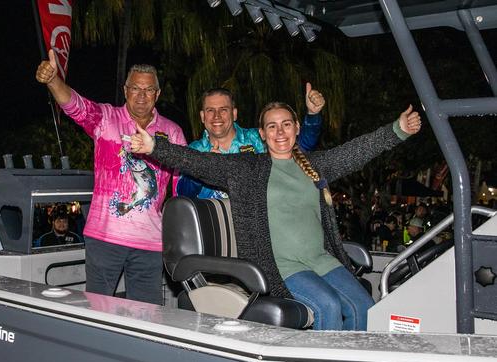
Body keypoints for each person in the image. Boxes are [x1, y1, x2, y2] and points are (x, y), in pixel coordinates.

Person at [130, 101, 422, 330]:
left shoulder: (314, 164)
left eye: (285, 125)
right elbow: (199, 162)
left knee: (364, 305)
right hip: (280, 265)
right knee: (329, 306)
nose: (279, 132)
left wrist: (398, 130)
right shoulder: (248, 168)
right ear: (262, 134)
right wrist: (155, 147)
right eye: (272, 126)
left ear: (296, 128)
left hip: (322, 259)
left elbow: (355, 152)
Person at [35, 49, 187, 305]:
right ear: (125, 90)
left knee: (147, 315)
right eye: (135, 88)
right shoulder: (106, 118)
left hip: (150, 241)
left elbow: (182, 184)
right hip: (105, 238)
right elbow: (74, 105)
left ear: (157, 94)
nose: (141, 95)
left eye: (148, 90)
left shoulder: (171, 132)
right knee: (98, 309)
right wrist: (53, 80)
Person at [176, 85, 324, 199]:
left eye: (223, 110)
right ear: (202, 116)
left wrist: (313, 115)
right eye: (210, 110)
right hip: (215, 230)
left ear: (234, 114)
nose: (217, 116)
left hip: (257, 228)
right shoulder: (193, 150)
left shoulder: (257, 139)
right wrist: (202, 170)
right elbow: (181, 193)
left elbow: (300, 147)